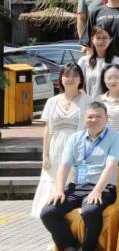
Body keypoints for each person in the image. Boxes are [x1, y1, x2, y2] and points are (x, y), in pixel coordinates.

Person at [41, 101, 119, 251]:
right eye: (90, 117)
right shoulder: (75, 138)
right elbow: (64, 166)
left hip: (103, 187)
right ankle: (69, 247)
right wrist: (59, 190)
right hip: (77, 187)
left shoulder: (115, 137)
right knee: (48, 212)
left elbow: (111, 166)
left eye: (98, 116)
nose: (94, 120)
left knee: (90, 210)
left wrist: (97, 190)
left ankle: (88, 250)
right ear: (84, 119)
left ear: (106, 118)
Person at [33, 64, 89, 219]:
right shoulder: (52, 101)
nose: (70, 79)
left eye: (75, 75)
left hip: (78, 150)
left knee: (72, 185)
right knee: (52, 186)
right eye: (66, 75)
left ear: (81, 79)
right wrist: (45, 155)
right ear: (61, 78)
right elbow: (48, 130)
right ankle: (51, 223)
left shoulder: (88, 101)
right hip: (55, 150)